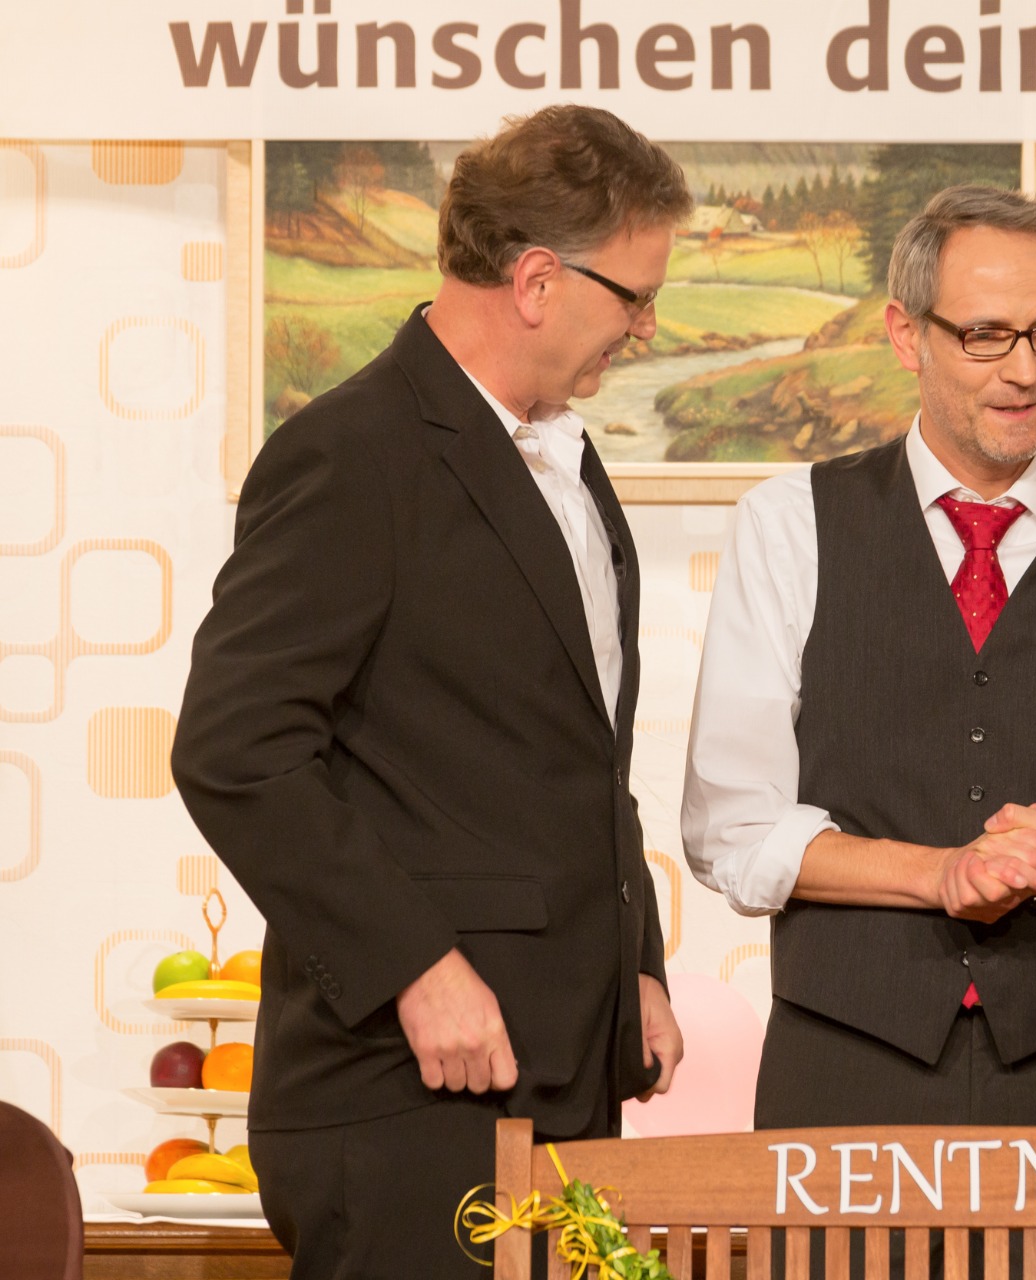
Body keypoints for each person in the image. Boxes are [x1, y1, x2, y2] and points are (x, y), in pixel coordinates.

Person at [171, 106, 692, 1280]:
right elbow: (235, 749)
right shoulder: (351, 452)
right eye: (635, 297)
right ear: (539, 280)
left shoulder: (566, 458)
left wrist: (635, 968)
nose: (648, 328)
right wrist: (412, 964)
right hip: (405, 1094)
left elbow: (570, 755)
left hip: (561, 1082)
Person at [683, 184, 1036, 1138]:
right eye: (985, 335)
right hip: (843, 1063)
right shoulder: (788, 523)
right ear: (907, 335)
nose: (1025, 371)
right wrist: (941, 875)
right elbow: (735, 825)